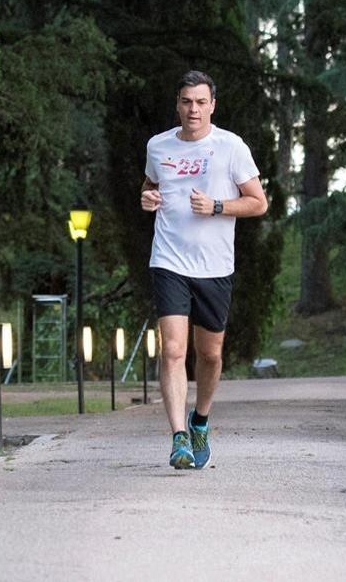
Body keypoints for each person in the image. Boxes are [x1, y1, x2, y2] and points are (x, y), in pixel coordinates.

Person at [140, 70, 268, 470]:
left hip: (214, 266)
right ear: (177, 104)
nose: (192, 109)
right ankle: (179, 438)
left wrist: (217, 206)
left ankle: (200, 420)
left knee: (209, 355)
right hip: (169, 260)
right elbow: (149, 186)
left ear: (212, 105)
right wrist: (147, 198)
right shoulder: (158, 146)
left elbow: (258, 202)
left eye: (200, 102)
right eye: (185, 101)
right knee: (174, 350)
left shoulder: (231, 147)